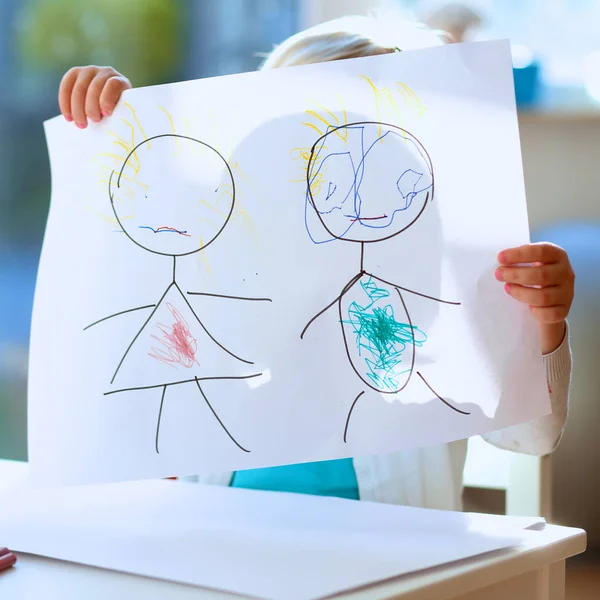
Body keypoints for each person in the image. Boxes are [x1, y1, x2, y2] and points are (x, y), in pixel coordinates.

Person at [57, 15, 574, 510]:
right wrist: (116, 125)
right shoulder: (213, 294)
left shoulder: (434, 311)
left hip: (393, 572)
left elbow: (530, 435)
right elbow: (127, 406)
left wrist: (542, 324)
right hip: (220, 560)